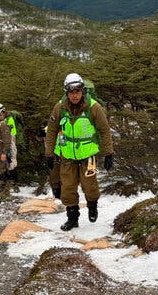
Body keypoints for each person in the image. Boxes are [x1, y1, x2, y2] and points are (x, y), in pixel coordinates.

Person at [44, 73, 114, 231]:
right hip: (67, 155)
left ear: (83, 91)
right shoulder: (59, 107)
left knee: (89, 186)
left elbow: (104, 131)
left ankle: (92, 206)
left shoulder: (94, 107)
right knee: (67, 188)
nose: (74, 95)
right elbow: (52, 131)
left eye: (77, 91)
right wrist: (49, 154)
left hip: (88, 155)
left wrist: (109, 153)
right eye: (71, 92)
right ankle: (72, 218)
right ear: (66, 92)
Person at [0, 103, 19, 186]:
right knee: (7, 161)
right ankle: (9, 181)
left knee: (11, 160)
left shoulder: (9, 119)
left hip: (11, 140)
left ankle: (14, 182)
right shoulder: (3, 119)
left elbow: (13, 131)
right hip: (6, 141)